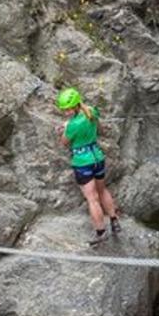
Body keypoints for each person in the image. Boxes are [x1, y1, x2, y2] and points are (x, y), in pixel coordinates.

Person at [58, 87, 121, 245]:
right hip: (97, 158)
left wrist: (65, 128)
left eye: (68, 109)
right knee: (102, 190)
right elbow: (95, 125)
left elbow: (64, 142)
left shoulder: (72, 125)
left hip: (82, 162)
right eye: (64, 110)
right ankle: (114, 220)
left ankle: (100, 232)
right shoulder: (92, 111)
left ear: (75, 106)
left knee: (92, 199)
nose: (66, 112)